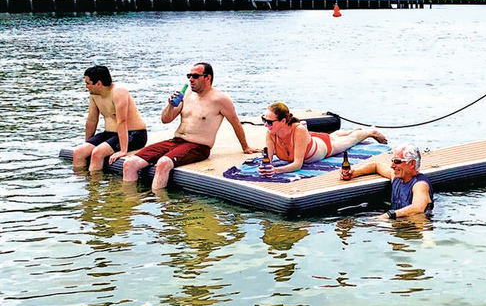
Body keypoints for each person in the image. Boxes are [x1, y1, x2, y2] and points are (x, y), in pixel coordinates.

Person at [123, 62, 258, 190]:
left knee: (163, 163)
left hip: (198, 146)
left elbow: (236, 123)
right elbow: (165, 120)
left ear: (207, 78)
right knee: (129, 163)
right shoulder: (186, 95)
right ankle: (129, 203)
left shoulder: (220, 99)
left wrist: (245, 147)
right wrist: (170, 105)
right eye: (189, 76)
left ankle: (159, 205)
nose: (191, 79)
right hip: (175, 142)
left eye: (195, 76)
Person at [258, 101, 388, 177]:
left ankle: (370, 131)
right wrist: (264, 167)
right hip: (312, 140)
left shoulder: (298, 130)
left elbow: (297, 165)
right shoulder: (271, 133)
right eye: (264, 120)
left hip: (323, 148)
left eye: (269, 122)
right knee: (333, 136)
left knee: (349, 141)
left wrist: (276, 170)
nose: (265, 124)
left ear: (283, 121)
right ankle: (352, 130)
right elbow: (267, 160)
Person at [72, 65, 148, 172]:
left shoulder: (119, 92)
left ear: (99, 83)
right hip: (110, 133)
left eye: (88, 83)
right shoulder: (94, 94)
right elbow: (92, 120)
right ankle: (82, 183)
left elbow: (122, 121)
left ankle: (94, 185)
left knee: (97, 153)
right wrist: (88, 143)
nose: (86, 86)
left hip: (134, 134)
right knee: (79, 152)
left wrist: (123, 150)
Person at [340, 142, 434, 219]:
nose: (392, 166)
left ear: (411, 163)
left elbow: (418, 208)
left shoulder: (420, 185)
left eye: (397, 162)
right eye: (392, 161)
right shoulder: (396, 177)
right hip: (399, 220)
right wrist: (354, 173)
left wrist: (388, 215)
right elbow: (376, 166)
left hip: (414, 225)